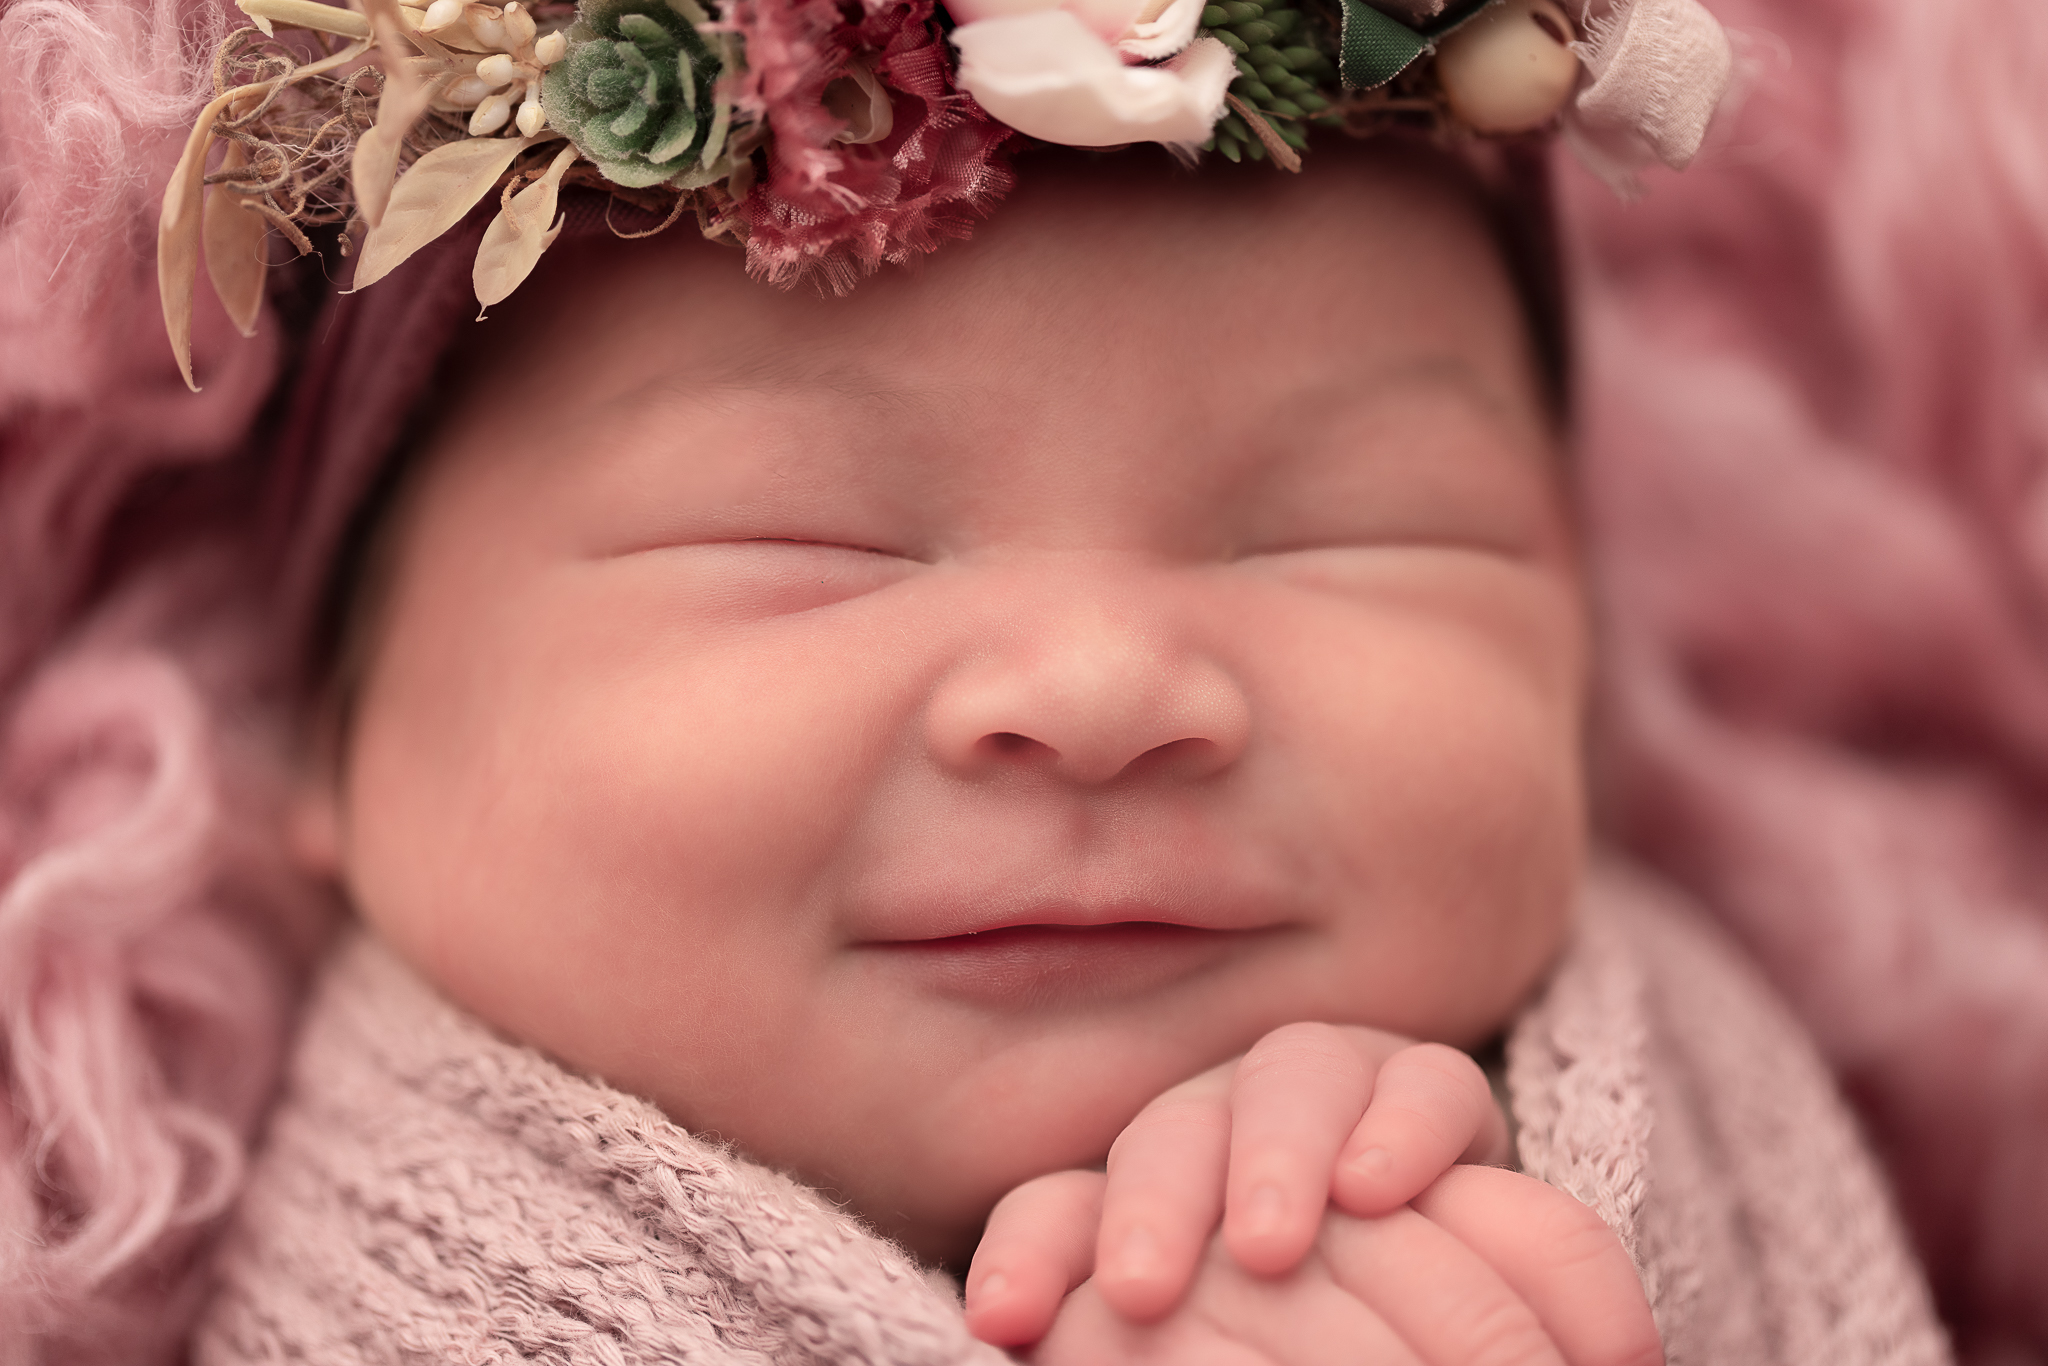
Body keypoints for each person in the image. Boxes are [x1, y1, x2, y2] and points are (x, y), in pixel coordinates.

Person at [0, 0, 1975, 1361]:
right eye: (808, 540)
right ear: (330, 712)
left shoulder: (1709, 1130)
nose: (1105, 679)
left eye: (1350, 527)